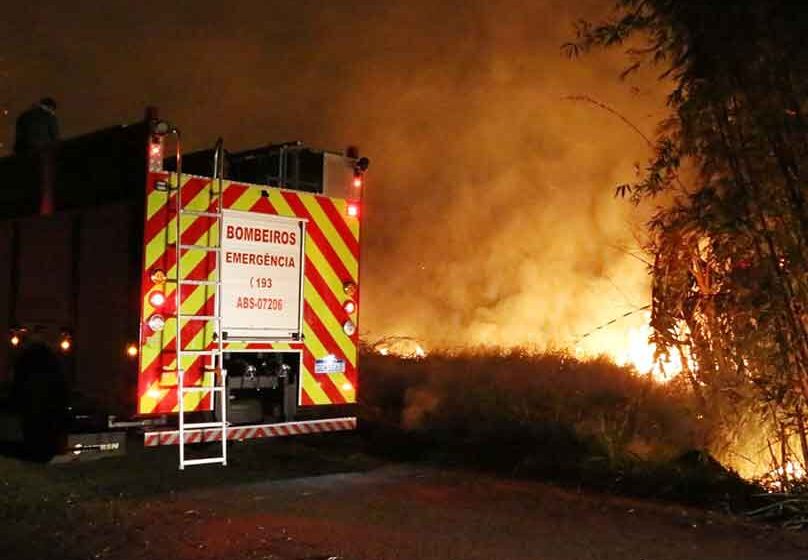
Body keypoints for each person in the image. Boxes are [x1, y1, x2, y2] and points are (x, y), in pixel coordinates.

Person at [13, 98, 60, 214]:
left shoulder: (23, 116)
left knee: (27, 188)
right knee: (45, 188)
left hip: (25, 155)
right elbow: (55, 138)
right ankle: (45, 213)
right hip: (43, 154)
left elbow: (18, 139)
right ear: (50, 108)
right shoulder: (49, 117)